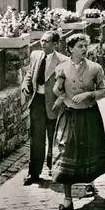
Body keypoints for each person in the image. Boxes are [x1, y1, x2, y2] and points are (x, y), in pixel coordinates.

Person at [51, 33, 105, 210]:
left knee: (88, 151)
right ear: (69, 49)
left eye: (85, 45)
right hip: (69, 116)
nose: (84, 49)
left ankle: (90, 183)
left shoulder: (95, 68)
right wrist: (59, 84)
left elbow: (104, 91)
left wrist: (89, 95)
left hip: (89, 116)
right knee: (66, 154)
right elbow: (56, 92)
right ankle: (67, 201)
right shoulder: (61, 68)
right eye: (79, 46)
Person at [21, 31, 69, 185]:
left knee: (54, 138)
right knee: (36, 139)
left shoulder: (63, 61)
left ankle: (54, 169)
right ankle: (34, 173)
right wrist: (25, 84)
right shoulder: (35, 55)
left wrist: (61, 100)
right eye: (41, 40)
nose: (43, 44)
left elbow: (67, 86)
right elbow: (30, 72)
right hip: (37, 102)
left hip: (54, 105)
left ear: (55, 44)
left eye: (47, 41)